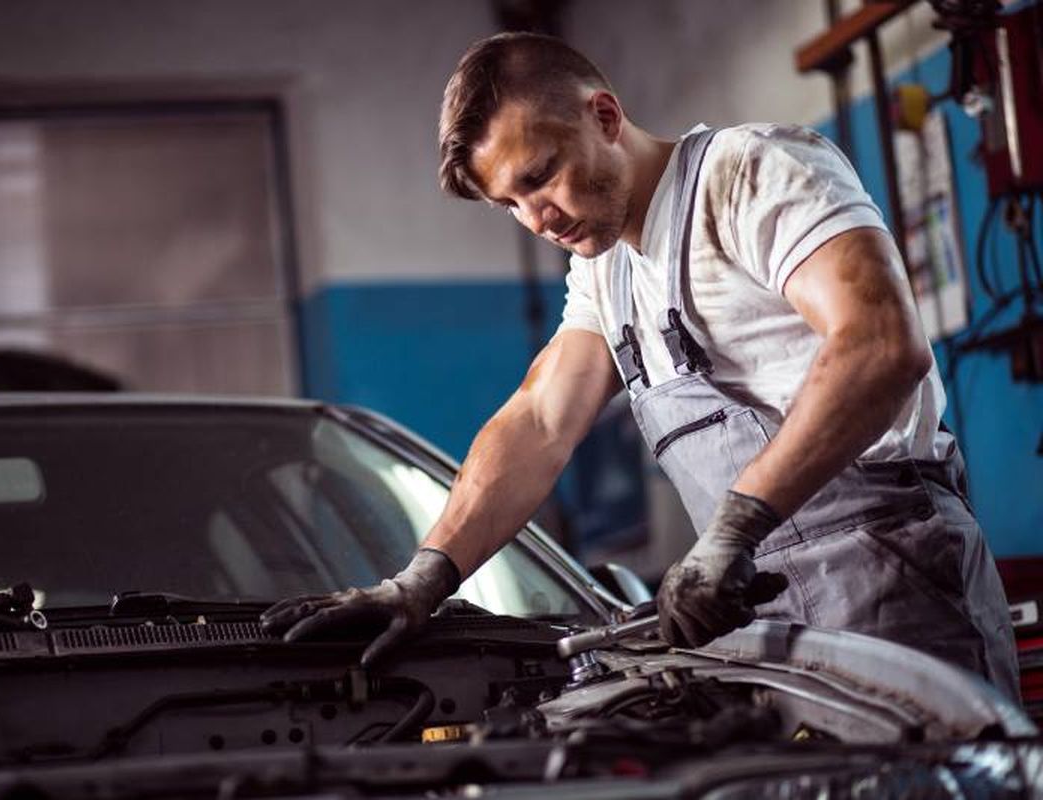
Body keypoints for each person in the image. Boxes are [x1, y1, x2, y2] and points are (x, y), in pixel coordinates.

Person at [261, 32, 1019, 698]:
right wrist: (422, 581)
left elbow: (880, 342)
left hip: (891, 574)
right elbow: (539, 419)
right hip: (750, 599)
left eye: (541, 176)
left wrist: (733, 528)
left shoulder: (752, 171)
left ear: (604, 116)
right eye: (511, 205)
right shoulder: (606, 267)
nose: (538, 220)